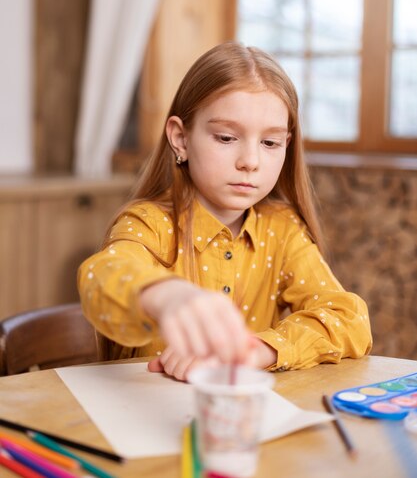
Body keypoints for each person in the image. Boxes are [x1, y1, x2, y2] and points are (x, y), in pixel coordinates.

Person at [78, 42, 372, 381]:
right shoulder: (150, 224)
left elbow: (350, 318)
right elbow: (99, 279)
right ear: (181, 139)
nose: (250, 161)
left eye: (270, 143)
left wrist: (258, 350)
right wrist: (165, 296)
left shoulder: (283, 229)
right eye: (227, 138)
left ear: (286, 146)